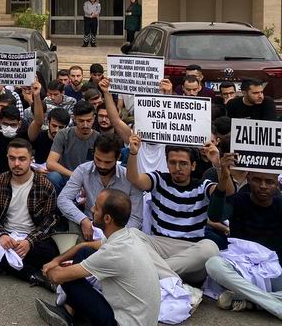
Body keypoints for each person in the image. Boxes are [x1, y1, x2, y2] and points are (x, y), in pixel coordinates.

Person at [37, 189, 161, 326]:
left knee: (69, 280)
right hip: (142, 318)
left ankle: (69, 313)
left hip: (121, 323)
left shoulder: (114, 252)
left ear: (107, 218)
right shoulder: (130, 234)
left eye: (96, 207)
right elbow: (83, 246)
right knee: (84, 252)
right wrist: (57, 260)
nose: (92, 209)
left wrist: (49, 268)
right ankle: (71, 310)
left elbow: (57, 277)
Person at [126, 133, 220, 283]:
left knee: (210, 248)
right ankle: (165, 276)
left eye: (183, 163)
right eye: (173, 162)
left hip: (191, 253)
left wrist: (218, 166)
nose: (177, 168)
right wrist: (133, 152)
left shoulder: (203, 186)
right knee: (131, 235)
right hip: (159, 246)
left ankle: (151, 274)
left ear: (193, 165)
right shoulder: (158, 179)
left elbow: (225, 192)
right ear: (167, 163)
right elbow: (134, 179)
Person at [0, 138, 58, 288]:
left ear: (31, 159)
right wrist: (1, 234)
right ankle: (31, 274)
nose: (16, 164)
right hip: (4, 236)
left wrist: (29, 241)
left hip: (30, 238)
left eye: (22, 159)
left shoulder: (45, 186)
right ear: (7, 158)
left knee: (50, 252)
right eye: (12, 158)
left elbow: (50, 221)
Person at [205, 152, 282, 316]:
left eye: (269, 182)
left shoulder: (280, 204)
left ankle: (249, 301)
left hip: (273, 272)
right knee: (213, 264)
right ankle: (275, 307)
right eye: (257, 180)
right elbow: (215, 215)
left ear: (277, 184)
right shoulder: (240, 200)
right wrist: (223, 179)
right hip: (242, 269)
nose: (263, 186)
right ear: (248, 179)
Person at [57, 133, 143, 238]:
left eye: (108, 162)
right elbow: (63, 199)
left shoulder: (130, 178)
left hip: (119, 234)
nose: (102, 165)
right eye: (98, 159)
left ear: (118, 158)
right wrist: (83, 220)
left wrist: (113, 236)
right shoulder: (83, 170)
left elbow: (136, 218)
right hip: (89, 226)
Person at [46, 100, 99, 193]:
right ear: (74, 118)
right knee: (53, 177)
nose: (85, 125)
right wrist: (75, 175)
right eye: (81, 121)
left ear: (94, 118)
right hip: (66, 178)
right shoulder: (63, 134)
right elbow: (50, 163)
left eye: (89, 121)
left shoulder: (98, 138)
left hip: (88, 181)